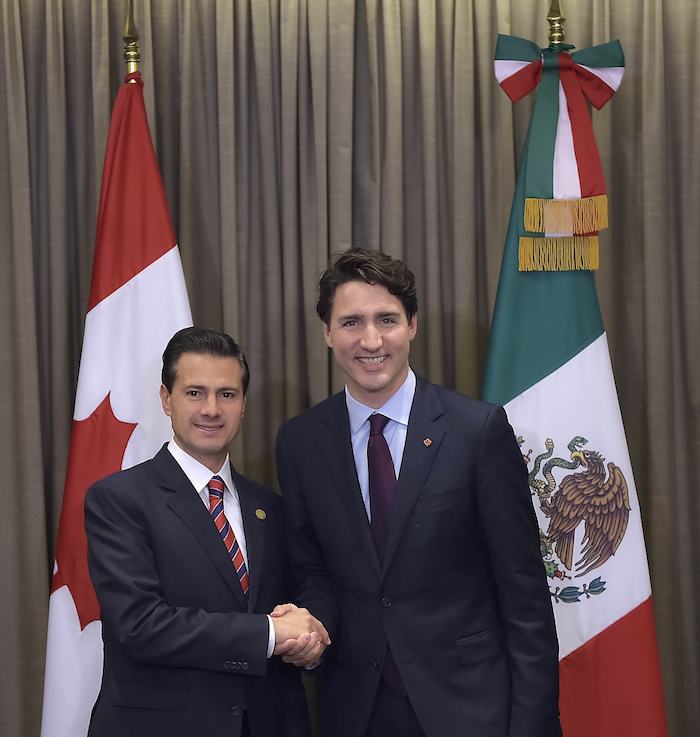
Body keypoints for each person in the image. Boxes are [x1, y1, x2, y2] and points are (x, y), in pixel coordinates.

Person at [275, 248, 562, 737]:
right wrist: (309, 623)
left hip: (472, 709)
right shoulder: (300, 442)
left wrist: (532, 725)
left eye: (386, 319)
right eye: (351, 322)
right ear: (327, 333)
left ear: (412, 325)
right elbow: (313, 571)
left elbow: (525, 598)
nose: (370, 341)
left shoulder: (478, 431)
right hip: (357, 710)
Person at [84, 327, 329, 737]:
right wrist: (270, 633)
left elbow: (308, 589)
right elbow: (141, 626)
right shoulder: (118, 500)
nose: (211, 409)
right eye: (195, 393)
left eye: (227, 394)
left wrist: (311, 633)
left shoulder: (270, 506)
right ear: (167, 399)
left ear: (244, 404)